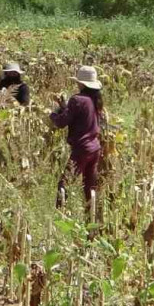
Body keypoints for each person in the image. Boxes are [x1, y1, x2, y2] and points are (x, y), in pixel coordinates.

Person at [50, 66, 104, 217]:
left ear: (81, 83)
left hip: (81, 149)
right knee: (89, 188)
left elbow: (61, 122)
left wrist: (53, 114)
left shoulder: (77, 99)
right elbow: (79, 116)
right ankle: (92, 221)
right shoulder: (95, 100)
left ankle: (58, 218)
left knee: (63, 185)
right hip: (94, 149)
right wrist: (63, 106)